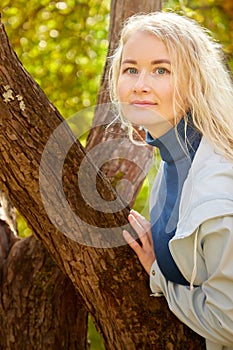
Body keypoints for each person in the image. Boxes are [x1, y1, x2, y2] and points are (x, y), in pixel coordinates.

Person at [109, 11, 233, 350]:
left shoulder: (219, 191)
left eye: (161, 70)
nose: (140, 85)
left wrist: (158, 276)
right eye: (131, 69)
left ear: (195, 82)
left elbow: (229, 324)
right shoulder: (171, 157)